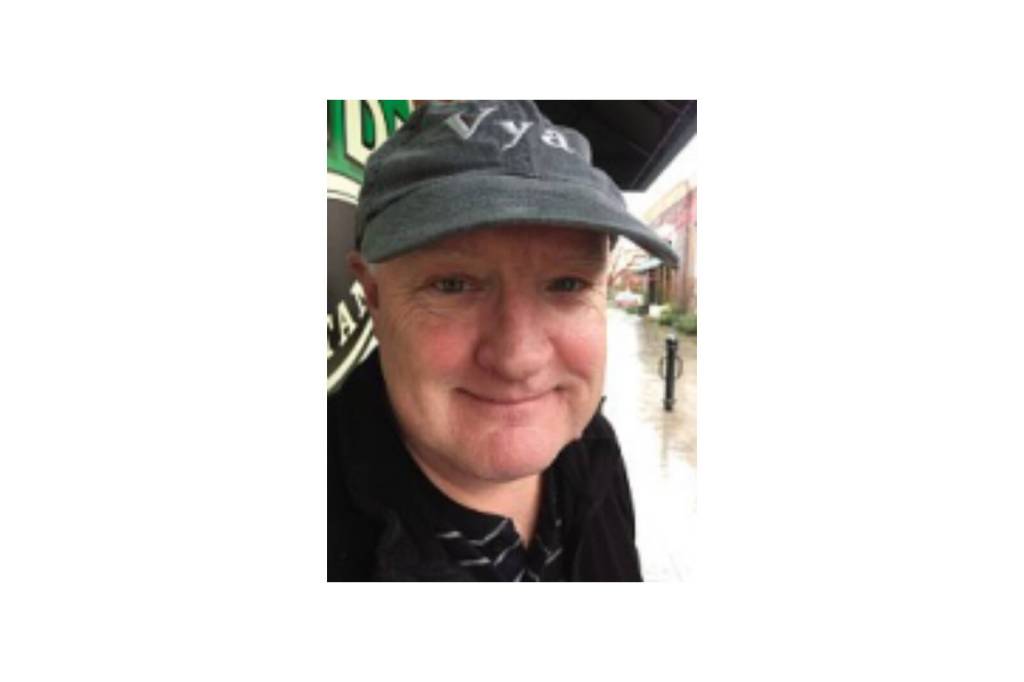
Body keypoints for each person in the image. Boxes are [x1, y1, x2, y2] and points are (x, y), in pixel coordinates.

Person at [328, 100, 679, 581]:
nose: (519, 358)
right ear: (374, 295)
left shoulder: (594, 447)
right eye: (452, 284)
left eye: (568, 284)